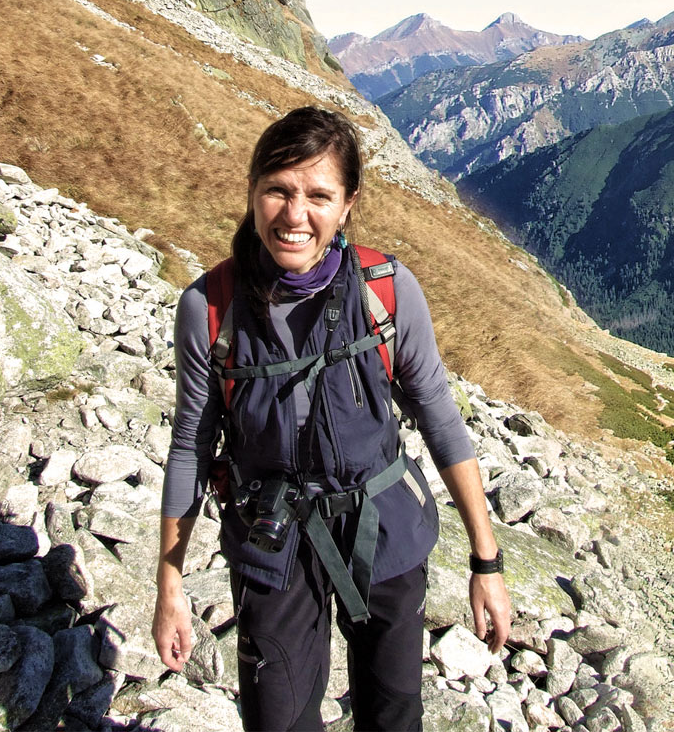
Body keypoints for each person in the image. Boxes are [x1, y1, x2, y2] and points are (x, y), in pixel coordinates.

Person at [153, 106, 512, 730]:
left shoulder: (387, 290)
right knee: (279, 720)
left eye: (319, 195)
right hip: (273, 539)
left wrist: (487, 563)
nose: (295, 216)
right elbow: (190, 444)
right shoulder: (208, 308)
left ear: (348, 204)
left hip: (383, 530)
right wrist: (170, 584)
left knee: (393, 713)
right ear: (252, 192)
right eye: (278, 191)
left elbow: (439, 418)